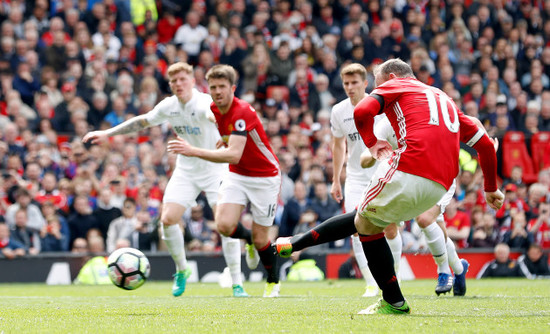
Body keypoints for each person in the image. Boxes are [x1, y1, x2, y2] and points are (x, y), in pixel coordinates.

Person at [276, 59, 503, 314]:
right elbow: (484, 145)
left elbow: (361, 111)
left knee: (363, 223)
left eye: (377, 85)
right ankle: (295, 243)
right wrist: (491, 187)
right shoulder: (443, 98)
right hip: (440, 185)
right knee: (368, 221)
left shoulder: (397, 86)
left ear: (393, 77)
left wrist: (371, 143)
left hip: (410, 169)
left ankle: (394, 300)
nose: (377, 91)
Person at [83, 62, 248, 298]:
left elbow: (220, 117)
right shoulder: (170, 106)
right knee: (168, 219)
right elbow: (143, 121)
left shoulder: (203, 104)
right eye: (174, 81)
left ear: (192, 81)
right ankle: (182, 270)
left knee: (226, 225)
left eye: (183, 80)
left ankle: (236, 282)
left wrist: (227, 135)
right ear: (170, 85)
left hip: (216, 169)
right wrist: (107, 133)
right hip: (187, 170)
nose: (178, 84)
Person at [167, 64, 282, 297]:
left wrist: (193, 150)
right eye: (213, 87)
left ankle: (273, 280)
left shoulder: (243, 112)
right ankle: (247, 238)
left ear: (232, 88)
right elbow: (228, 138)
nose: (217, 92)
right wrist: (225, 137)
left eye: (222, 87)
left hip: (264, 177)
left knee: (263, 239)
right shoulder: (213, 108)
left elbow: (234, 154)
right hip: (237, 175)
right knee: (224, 226)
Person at [328, 63, 402, 297]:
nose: (350, 88)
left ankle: (394, 275)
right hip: (355, 179)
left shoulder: (380, 106)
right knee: (357, 229)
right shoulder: (338, 111)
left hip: (382, 174)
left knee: (389, 228)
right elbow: (339, 145)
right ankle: (371, 283)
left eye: (354, 83)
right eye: (346, 83)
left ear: (365, 83)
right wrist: (335, 179)